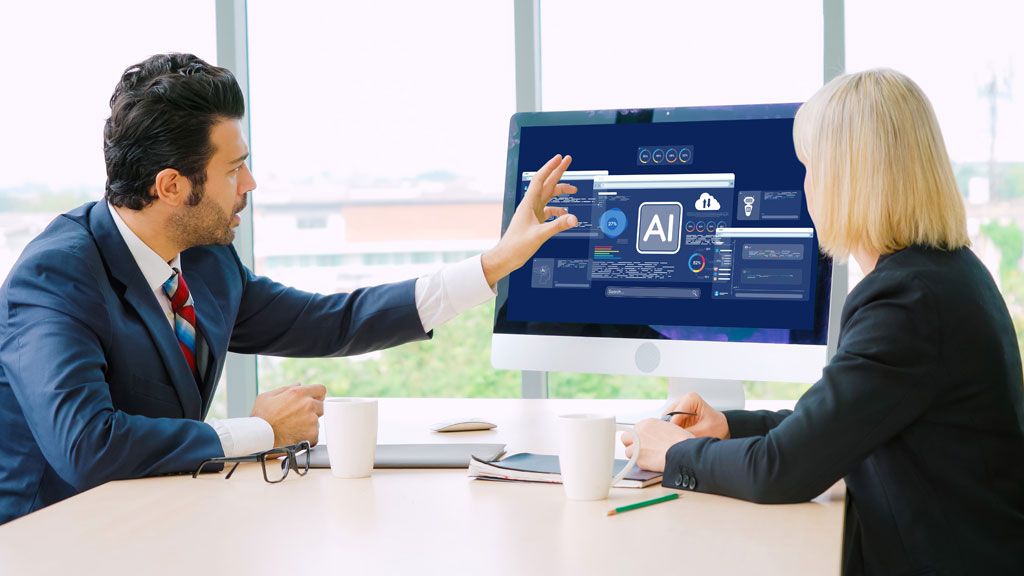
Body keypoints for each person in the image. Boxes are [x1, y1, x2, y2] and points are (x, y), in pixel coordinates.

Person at [0, 53, 579, 524]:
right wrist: (260, 431)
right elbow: (88, 446)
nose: (250, 184)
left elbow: (330, 321)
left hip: (154, 520)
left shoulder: (205, 260)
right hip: (48, 541)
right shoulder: (56, 277)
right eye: (234, 169)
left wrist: (494, 265)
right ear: (171, 186)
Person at [623, 69, 1024, 574]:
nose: (805, 185)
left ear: (846, 179)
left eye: (810, 167)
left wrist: (677, 454)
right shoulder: (945, 274)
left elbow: (783, 470)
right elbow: (834, 426)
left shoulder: (906, 302)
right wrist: (726, 426)